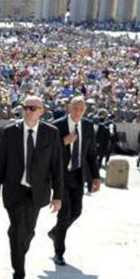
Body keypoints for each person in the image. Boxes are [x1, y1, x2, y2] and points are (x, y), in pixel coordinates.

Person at [0, 95, 63, 279]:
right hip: (14, 190)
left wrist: (58, 196)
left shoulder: (51, 133)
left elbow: (57, 166)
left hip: (37, 192)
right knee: (16, 230)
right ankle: (18, 273)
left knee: (28, 231)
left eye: (32, 108)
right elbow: (0, 163)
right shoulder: (10, 132)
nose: (28, 111)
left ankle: (19, 251)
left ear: (41, 111)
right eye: (25, 107)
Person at [48, 96, 99, 266]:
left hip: (78, 174)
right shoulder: (57, 125)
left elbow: (91, 153)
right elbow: (47, 152)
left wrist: (96, 177)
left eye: (81, 109)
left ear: (84, 110)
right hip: (61, 176)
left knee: (76, 211)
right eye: (75, 108)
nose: (77, 112)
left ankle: (56, 233)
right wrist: (63, 142)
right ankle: (59, 252)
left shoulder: (88, 126)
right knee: (64, 213)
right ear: (69, 108)